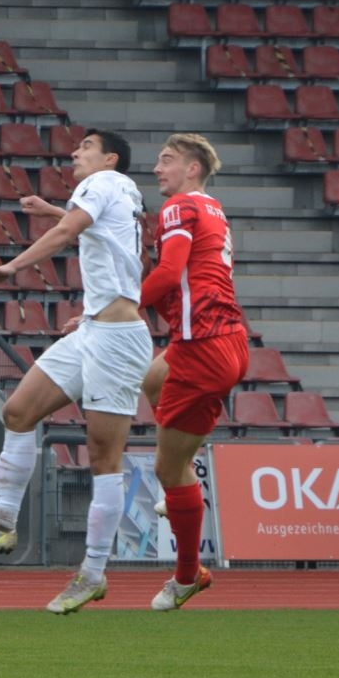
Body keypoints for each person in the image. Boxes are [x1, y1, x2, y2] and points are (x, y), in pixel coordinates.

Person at [0, 129, 153, 614]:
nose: (75, 153)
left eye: (85, 147)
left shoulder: (101, 184)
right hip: (95, 329)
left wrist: (9, 268)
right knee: (18, 412)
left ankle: (93, 573)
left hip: (118, 341)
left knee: (104, 459)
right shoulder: (125, 190)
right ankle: (1, 521)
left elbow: (67, 236)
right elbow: (98, 235)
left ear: (110, 157)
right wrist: (53, 212)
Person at [139, 133, 247, 611]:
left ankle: (187, 576)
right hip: (222, 340)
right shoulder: (214, 209)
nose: (158, 168)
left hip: (203, 346)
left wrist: (117, 308)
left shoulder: (179, 207)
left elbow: (168, 273)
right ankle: (183, 484)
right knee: (151, 380)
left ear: (193, 169)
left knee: (167, 467)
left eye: (167, 160)